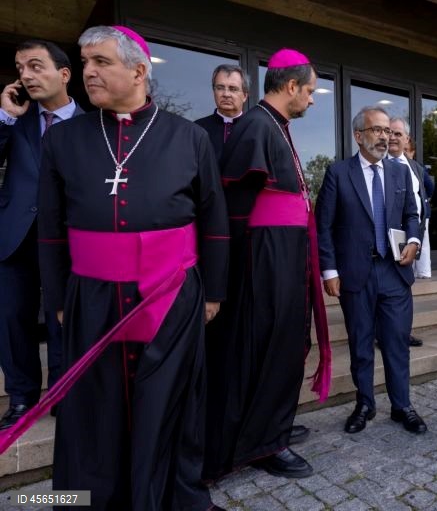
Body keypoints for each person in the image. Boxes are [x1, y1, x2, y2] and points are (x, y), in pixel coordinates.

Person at [36, 26, 229, 509]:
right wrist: (58, 300)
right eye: (85, 63)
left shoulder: (189, 138)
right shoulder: (63, 140)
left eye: (100, 62)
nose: (88, 72)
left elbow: (215, 221)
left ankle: (169, 497)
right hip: (92, 296)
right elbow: (52, 230)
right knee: (94, 408)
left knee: (169, 401)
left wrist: (213, 293)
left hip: (170, 293)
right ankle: (93, 500)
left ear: (139, 71)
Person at [207, 48, 330, 480]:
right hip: (264, 264)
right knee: (268, 350)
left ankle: (270, 427)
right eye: (311, 90)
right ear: (291, 86)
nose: (313, 99)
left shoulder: (272, 125)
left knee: (284, 347)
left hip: (283, 258)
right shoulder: (256, 125)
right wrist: (228, 278)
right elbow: (232, 211)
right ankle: (261, 442)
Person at [316, 106, 427, 435]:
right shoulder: (338, 173)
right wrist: (329, 271)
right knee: (361, 343)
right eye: (377, 130)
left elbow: (412, 215)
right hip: (355, 273)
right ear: (358, 136)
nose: (384, 136)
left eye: (387, 131)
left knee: (396, 342)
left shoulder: (399, 172)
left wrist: (413, 241)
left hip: (394, 272)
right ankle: (365, 402)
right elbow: (325, 227)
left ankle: (401, 405)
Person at [0, 40, 82, 430]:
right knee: (11, 318)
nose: (26, 75)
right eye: (20, 68)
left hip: (67, 241)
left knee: (62, 319)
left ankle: (63, 396)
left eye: (35, 66)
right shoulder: (14, 119)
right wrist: (5, 118)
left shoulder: (90, 123)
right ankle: (21, 399)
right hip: (14, 237)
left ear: (63, 74)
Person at [388, 117, 427, 347]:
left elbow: (422, 197)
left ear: (407, 139)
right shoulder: (379, 164)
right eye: (389, 133)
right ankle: (383, 333)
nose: (392, 137)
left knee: (406, 285)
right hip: (388, 239)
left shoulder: (414, 167)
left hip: (412, 236)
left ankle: (404, 331)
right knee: (387, 289)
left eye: (398, 134)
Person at [195, 64, 249, 160]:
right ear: (214, 92)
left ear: (244, 96)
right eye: (220, 88)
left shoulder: (254, 128)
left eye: (233, 89)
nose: (226, 94)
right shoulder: (197, 128)